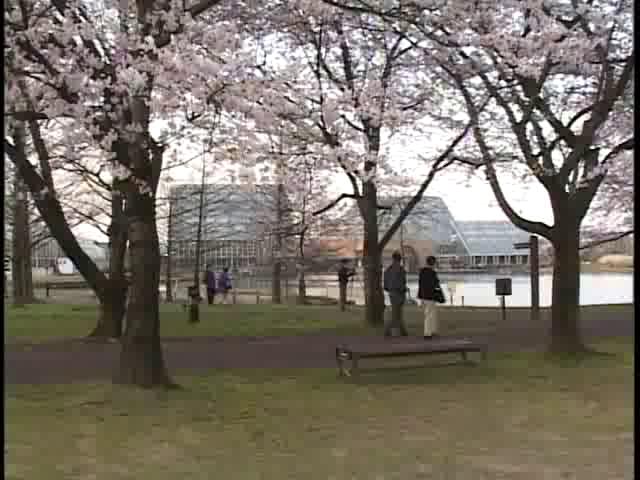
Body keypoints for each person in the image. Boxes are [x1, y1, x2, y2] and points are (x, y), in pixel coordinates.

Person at [383, 251, 409, 337]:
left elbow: (385, 284)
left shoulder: (388, 269)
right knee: (396, 313)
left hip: (391, 292)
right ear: (400, 259)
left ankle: (403, 331)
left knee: (397, 312)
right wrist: (404, 289)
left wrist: (390, 289)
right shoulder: (401, 269)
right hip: (399, 293)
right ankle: (388, 331)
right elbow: (402, 282)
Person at [417, 255, 444, 339]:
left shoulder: (422, 272)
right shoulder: (432, 273)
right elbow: (435, 285)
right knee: (430, 314)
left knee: (431, 313)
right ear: (433, 263)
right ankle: (427, 333)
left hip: (424, 295)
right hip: (431, 296)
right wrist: (439, 295)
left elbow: (421, 284)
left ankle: (432, 331)